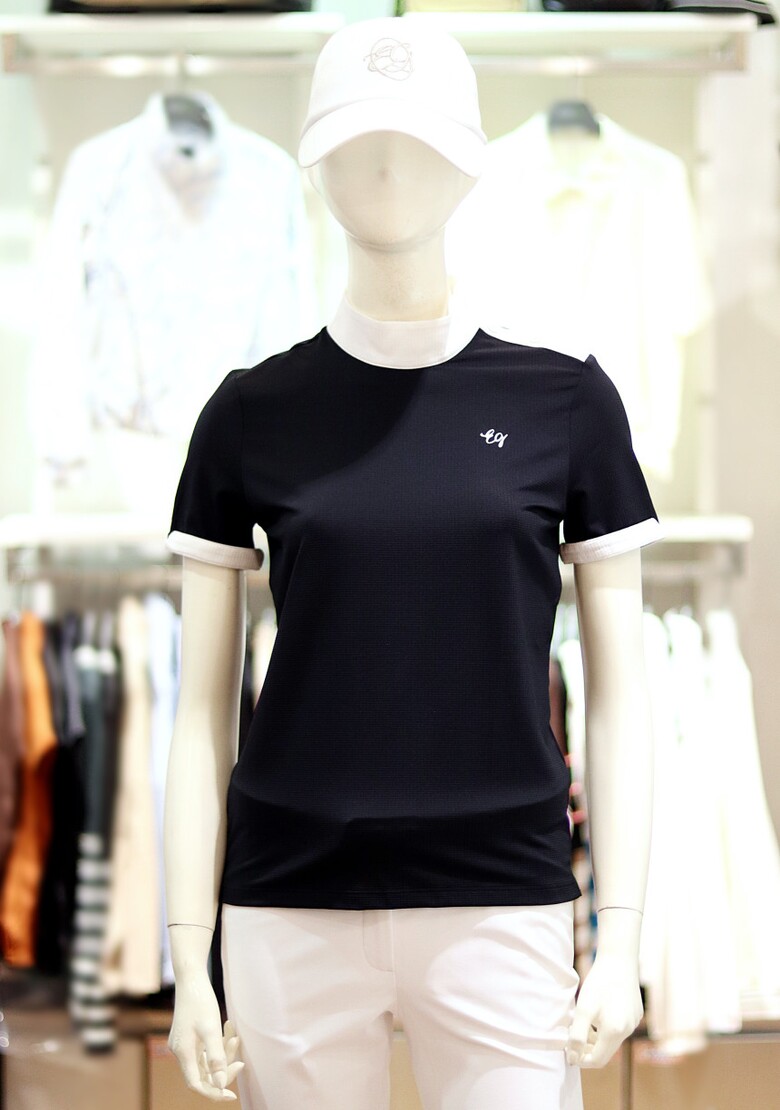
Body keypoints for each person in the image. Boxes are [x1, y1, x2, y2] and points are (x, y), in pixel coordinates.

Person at [163, 15, 661, 1109]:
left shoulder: (567, 401)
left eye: (419, 145)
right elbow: (200, 712)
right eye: (358, 147)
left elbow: (624, 695)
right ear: (315, 169)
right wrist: (187, 956)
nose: (388, 173)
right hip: (288, 904)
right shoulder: (250, 413)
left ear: (472, 165)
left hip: (503, 901)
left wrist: (621, 934)